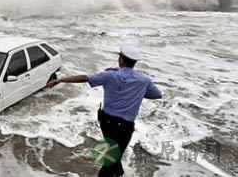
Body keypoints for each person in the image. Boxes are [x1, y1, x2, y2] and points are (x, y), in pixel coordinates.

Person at [47, 44, 162, 177]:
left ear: (122, 60)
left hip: (106, 122)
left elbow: (85, 78)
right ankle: (116, 171)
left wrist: (60, 80)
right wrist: (138, 92)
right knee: (111, 158)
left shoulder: (110, 75)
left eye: (119, 56)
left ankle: (118, 172)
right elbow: (157, 94)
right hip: (124, 126)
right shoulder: (144, 81)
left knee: (112, 152)